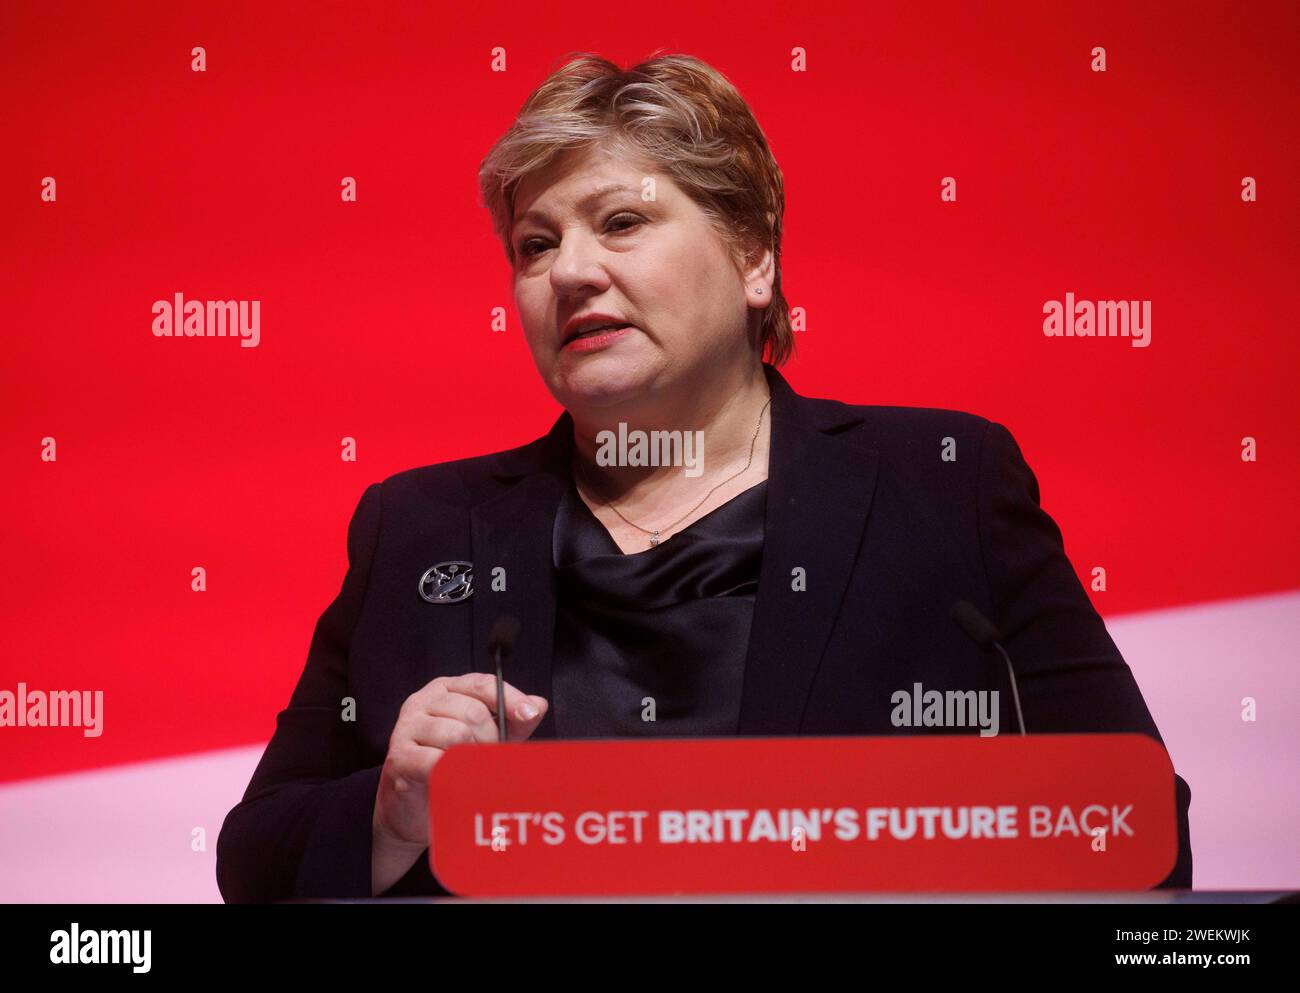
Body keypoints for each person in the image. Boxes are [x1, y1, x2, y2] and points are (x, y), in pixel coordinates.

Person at [216, 52, 1192, 902]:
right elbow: (253, 859)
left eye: (622, 221)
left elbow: (1144, 827)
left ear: (752, 256)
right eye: (536, 245)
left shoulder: (940, 485)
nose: (569, 272)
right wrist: (392, 814)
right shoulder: (421, 526)